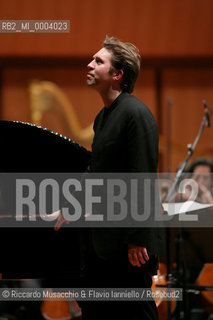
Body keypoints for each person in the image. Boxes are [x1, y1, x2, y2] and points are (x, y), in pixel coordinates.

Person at [55, 36, 164, 320]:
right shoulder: (104, 117)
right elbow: (96, 171)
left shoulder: (135, 114)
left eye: (98, 61)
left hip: (129, 243)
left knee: (134, 313)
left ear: (117, 74)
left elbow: (142, 176)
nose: (89, 65)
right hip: (105, 240)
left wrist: (137, 238)